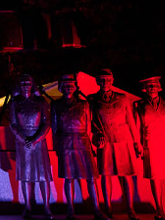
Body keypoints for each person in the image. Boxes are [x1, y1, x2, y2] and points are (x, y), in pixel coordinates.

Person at [51, 74, 108, 220]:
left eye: (71, 84)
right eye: (65, 84)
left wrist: (90, 142)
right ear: (61, 87)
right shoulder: (56, 105)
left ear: (75, 86)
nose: (68, 86)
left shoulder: (84, 104)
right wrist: (56, 147)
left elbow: (89, 126)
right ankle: (70, 211)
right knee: (68, 178)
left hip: (83, 142)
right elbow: (55, 127)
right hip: (65, 143)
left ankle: (96, 210)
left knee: (90, 177)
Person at [88, 68, 142, 220]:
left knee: (126, 175)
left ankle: (130, 208)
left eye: (107, 79)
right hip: (105, 141)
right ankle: (108, 207)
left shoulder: (122, 98)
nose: (104, 82)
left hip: (123, 139)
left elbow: (130, 121)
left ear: (112, 81)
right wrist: (97, 136)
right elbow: (92, 122)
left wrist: (136, 142)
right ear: (97, 81)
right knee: (106, 175)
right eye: (101, 79)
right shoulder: (92, 99)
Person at [134, 76, 165, 220]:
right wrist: (139, 145)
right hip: (151, 145)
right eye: (149, 86)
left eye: (155, 85)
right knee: (155, 178)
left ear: (160, 87)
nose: (152, 88)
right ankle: (159, 210)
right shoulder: (140, 106)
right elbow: (138, 128)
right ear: (144, 89)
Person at [7, 74, 53, 220]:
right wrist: (23, 138)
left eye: (28, 82)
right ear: (19, 86)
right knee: (25, 176)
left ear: (32, 84)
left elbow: (46, 123)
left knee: (43, 176)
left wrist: (37, 138)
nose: (26, 85)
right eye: (23, 82)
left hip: (39, 141)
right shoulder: (14, 103)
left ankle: (46, 207)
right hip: (23, 142)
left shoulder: (41, 101)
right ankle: (27, 207)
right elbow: (13, 124)